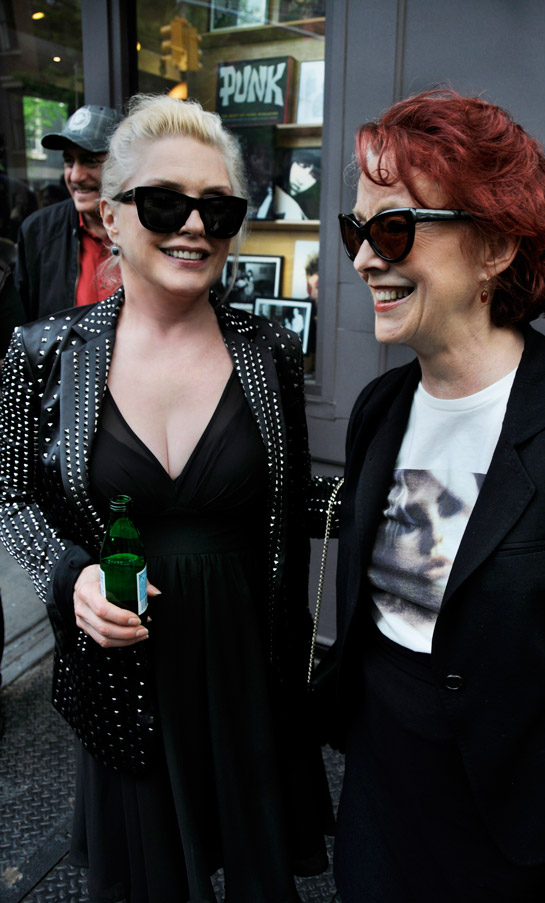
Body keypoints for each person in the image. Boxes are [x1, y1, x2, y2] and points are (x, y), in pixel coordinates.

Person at [0, 93, 332, 903]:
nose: (193, 226)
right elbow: (13, 496)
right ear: (110, 216)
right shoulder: (42, 354)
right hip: (122, 667)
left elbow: (286, 498)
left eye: (217, 209)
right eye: (164, 203)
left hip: (246, 657)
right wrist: (70, 573)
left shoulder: (270, 349)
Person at [323, 88, 545, 902]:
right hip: (380, 806)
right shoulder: (381, 409)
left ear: (494, 248)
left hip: (514, 838)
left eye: (394, 227)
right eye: (357, 229)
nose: (365, 257)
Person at [14, 104, 123, 321]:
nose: (75, 176)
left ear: (124, 165)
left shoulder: (149, 227)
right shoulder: (38, 231)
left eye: (90, 161)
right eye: (68, 161)